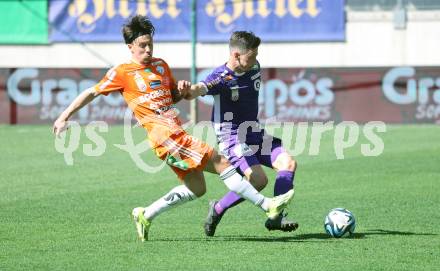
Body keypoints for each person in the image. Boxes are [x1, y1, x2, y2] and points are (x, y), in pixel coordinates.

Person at [52, 16, 294, 242]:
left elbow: (173, 97)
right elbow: (91, 92)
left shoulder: (160, 66)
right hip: (164, 137)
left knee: (197, 188)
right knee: (222, 163)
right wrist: (64, 117)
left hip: (176, 132)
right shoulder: (121, 72)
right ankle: (267, 206)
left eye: (150, 45)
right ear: (130, 46)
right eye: (143, 45)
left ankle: (146, 214)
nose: (148, 50)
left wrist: (182, 89)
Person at [184, 31, 299, 237]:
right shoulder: (221, 77)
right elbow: (199, 89)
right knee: (259, 180)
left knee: (288, 164)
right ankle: (218, 208)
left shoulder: (254, 66)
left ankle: (276, 218)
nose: (256, 59)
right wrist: (186, 89)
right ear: (236, 55)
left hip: (254, 132)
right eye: (251, 56)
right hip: (231, 136)